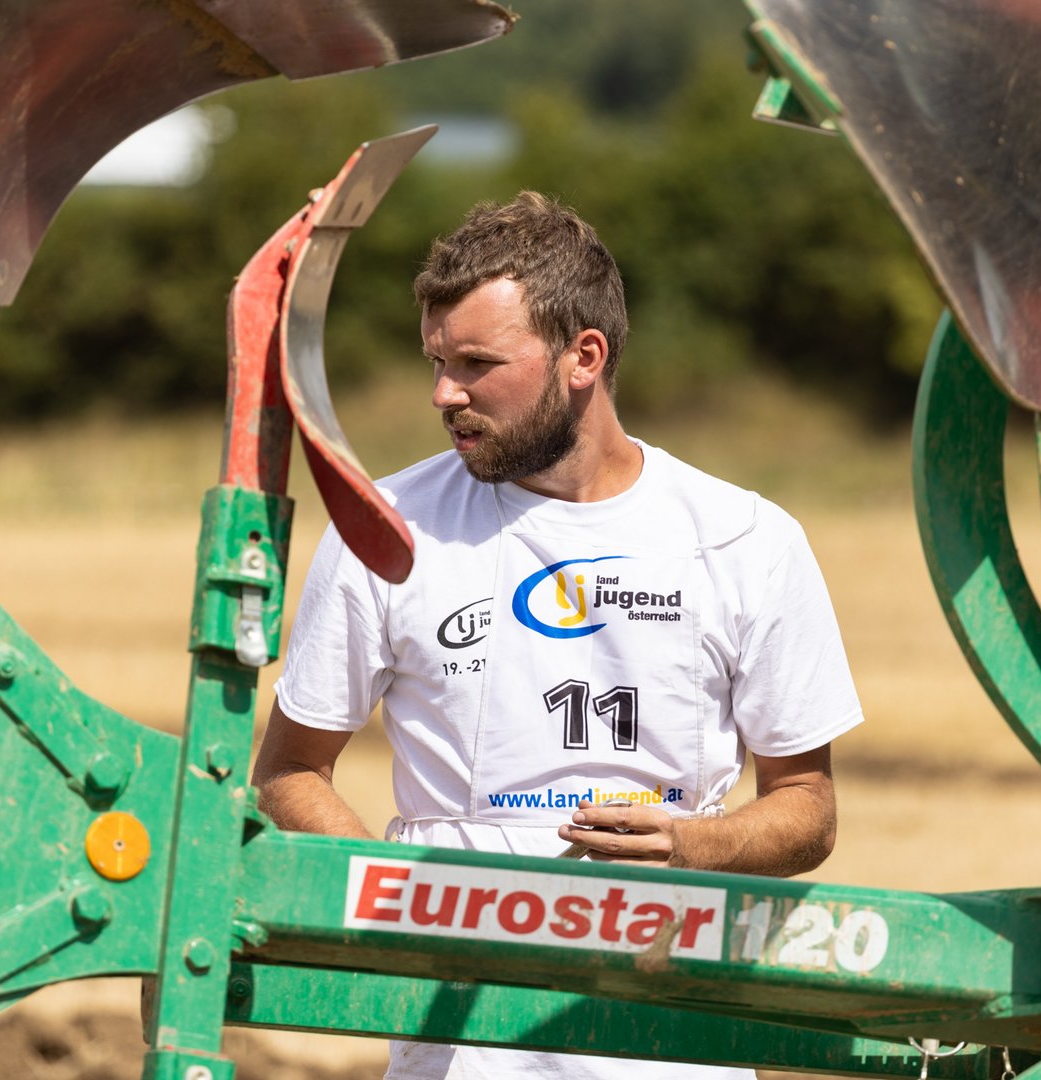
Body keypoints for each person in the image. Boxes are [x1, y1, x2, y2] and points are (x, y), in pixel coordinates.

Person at [252, 191, 864, 1080]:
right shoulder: (384, 529)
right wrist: (394, 903)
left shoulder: (744, 539)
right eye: (435, 361)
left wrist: (693, 845)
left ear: (584, 356)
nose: (444, 394)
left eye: (476, 363)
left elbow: (807, 806)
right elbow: (288, 771)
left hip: (668, 1035)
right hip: (456, 1045)